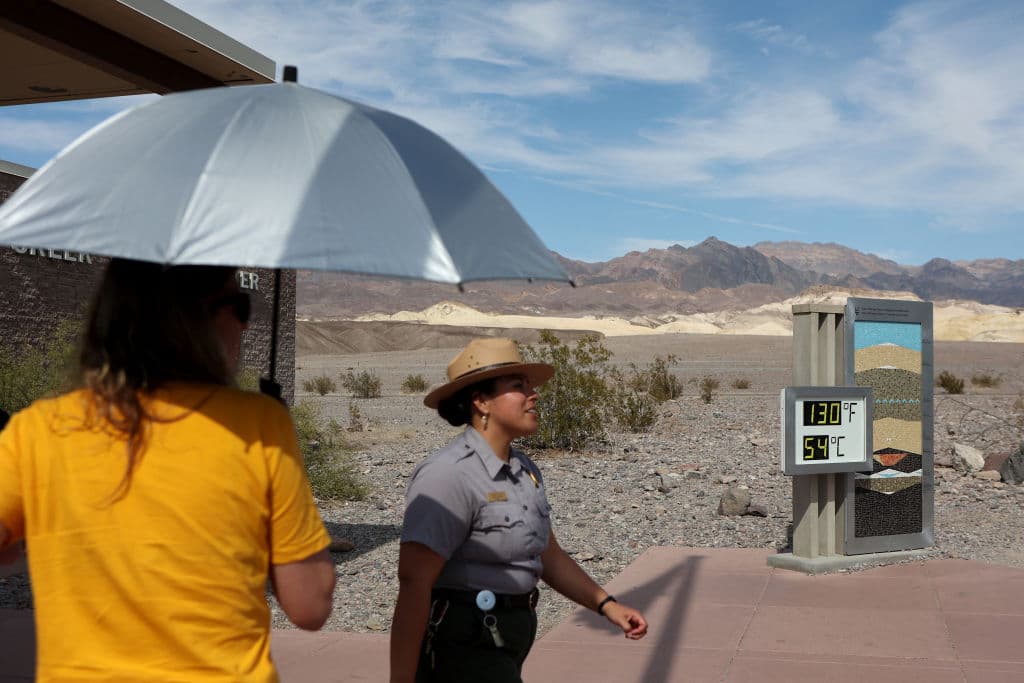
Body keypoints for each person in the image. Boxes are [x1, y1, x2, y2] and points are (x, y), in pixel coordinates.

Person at [0, 258, 335, 682]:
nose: (246, 326)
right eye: (240, 307)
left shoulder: (39, 428)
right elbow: (309, 604)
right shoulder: (259, 423)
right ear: (198, 319)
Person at [390, 338, 648, 682]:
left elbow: (548, 555)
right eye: (518, 386)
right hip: (465, 643)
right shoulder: (447, 475)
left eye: (530, 385)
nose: (533, 395)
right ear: (481, 401)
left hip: (507, 636)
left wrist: (607, 605)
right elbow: (414, 583)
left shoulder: (524, 470)